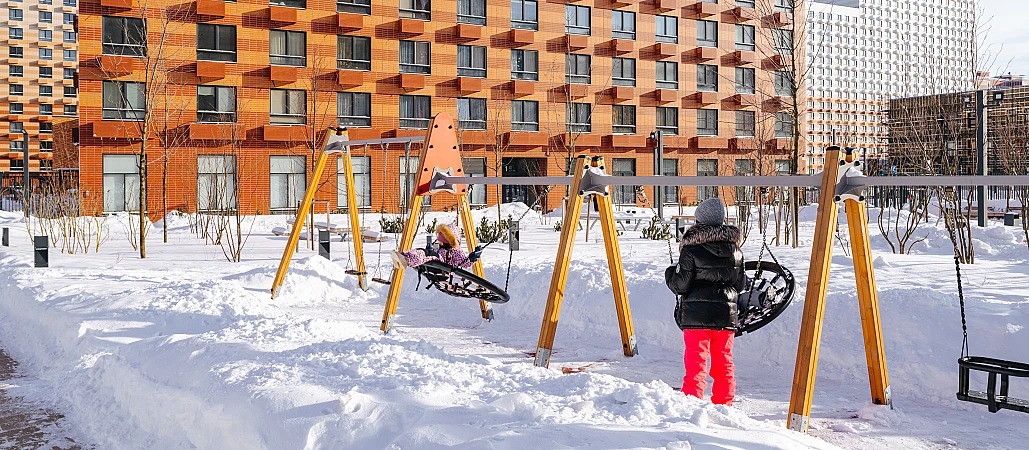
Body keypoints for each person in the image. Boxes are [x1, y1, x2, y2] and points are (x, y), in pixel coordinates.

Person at [664, 198, 746, 406]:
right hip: (725, 315)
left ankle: (692, 404)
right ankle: (724, 405)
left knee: (696, 363)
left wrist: (670, 273)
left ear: (699, 221)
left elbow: (680, 286)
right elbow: (740, 285)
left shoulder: (691, 250)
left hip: (696, 315)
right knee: (724, 362)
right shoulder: (736, 251)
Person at [391, 223, 482, 269]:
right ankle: (403, 256)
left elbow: (463, 263)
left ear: (448, 241)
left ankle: (406, 260)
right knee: (422, 251)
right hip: (436, 266)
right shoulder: (441, 248)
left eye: (441, 241)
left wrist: (472, 258)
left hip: (443, 268)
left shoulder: (455, 251)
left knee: (428, 254)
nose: (439, 242)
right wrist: (431, 250)